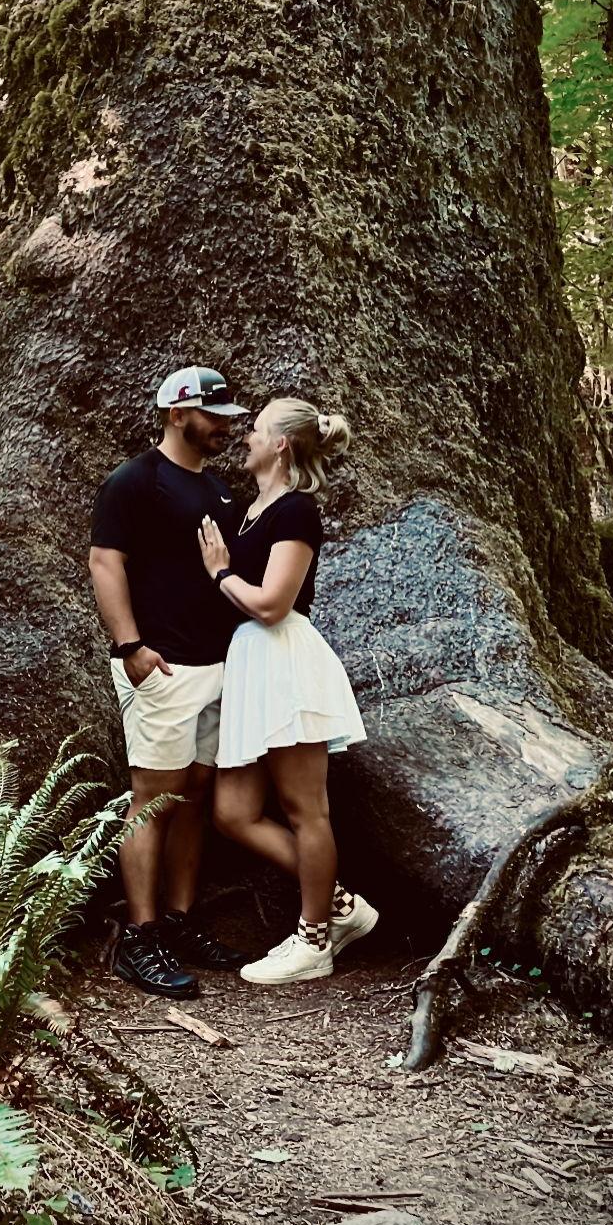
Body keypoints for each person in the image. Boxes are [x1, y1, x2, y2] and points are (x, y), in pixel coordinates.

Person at [197, 397, 378, 985]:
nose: (245, 436)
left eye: (255, 429)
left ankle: (314, 941)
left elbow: (274, 604)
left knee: (306, 810)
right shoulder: (255, 508)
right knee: (233, 812)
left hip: (283, 660)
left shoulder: (297, 512)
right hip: (252, 664)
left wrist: (222, 574)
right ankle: (341, 906)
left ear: (279, 445)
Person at [89, 366, 252, 997]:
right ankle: (140, 937)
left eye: (230, 418)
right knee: (152, 799)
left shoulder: (216, 487)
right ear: (178, 413)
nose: (224, 428)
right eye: (214, 416)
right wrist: (131, 645)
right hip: (163, 666)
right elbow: (106, 561)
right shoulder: (133, 481)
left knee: (195, 794)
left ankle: (181, 923)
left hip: (218, 665)